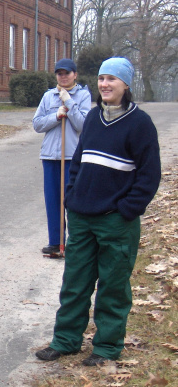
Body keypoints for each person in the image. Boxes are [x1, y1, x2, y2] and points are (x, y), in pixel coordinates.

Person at [36, 57, 161, 366]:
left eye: (112, 79)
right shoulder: (92, 118)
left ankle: (106, 348)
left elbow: (149, 175)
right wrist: (71, 197)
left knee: (113, 287)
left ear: (126, 85)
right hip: (81, 217)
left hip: (116, 222)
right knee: (75, 282)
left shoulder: (140, 124)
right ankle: (66, 340)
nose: (105, 84)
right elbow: (77, 161)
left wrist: (127, 210)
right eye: (102, 78)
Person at [33, 58, 91, 256]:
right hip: (50, 156)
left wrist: (68, 102)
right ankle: (56, 242)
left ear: (75, 74)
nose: (63, 76)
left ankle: (74, 243)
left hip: (72, 157)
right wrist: (56, 116)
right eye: (60, 73)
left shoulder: (83, 95)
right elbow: (37, 124)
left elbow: (83, 124)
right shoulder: (48, 96)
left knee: (72, 201)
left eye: (67, 73)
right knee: (52, 201)